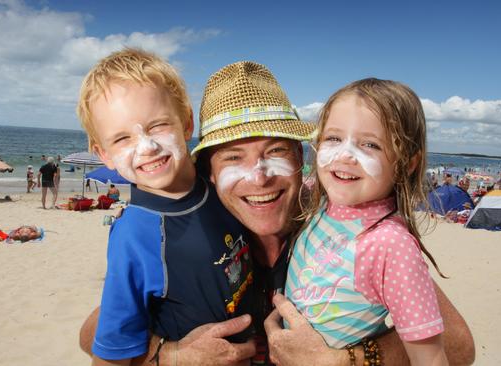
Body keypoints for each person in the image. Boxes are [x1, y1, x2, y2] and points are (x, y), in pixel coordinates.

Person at [79, 61, 475, 365]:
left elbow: (458, 345)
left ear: (302, 157)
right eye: (234, 157)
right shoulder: (197, 224)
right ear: (210, 173)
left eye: (275, 152)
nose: (260, 177)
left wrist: (342, 360)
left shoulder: (338, 221)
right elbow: (94, 332)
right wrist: (169, 355)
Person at [77, 48, 254, 365]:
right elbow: (111, 351)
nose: (147, 147)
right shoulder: (134, 234)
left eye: (158, 125)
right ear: (102, 153)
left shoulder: (219, 181)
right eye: (121, 139)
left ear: (186, 123)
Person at [285, 78, 447, 365]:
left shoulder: (391, 245)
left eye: (370, 144)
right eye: (333, 138)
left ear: (407, 163)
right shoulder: (322, 205)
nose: (345, 155)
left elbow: (430, 359)